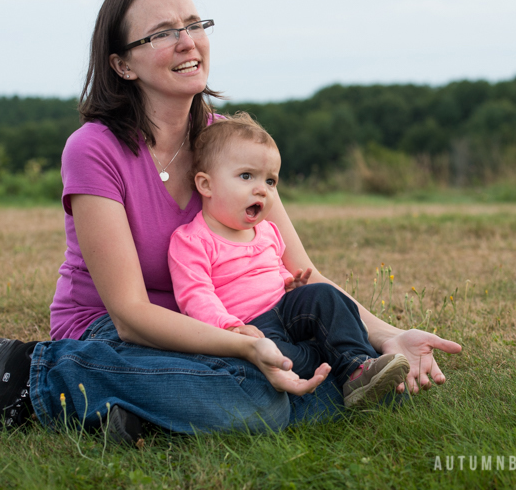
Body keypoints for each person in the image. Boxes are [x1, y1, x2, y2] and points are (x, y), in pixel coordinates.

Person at [0, 0, 462, 443]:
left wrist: (386, 337)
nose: (188, 41)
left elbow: (301, 273)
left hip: (231, 318)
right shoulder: (94, 149)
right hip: (117, 329)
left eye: (194, 25)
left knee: (338, 372)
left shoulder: (228, 143)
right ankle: (39, 370)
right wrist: (246, 347)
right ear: (122, 64)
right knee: (263, 400)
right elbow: (130, 315)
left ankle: (144, 408)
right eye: (163, 33)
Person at [169, 113, 410, 407]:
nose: (262, 189)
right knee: (281, 356)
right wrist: (231, 329)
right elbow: (196, 296)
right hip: (251, 327)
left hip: (286, 308)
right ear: (206, 185)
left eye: (270, 181)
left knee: (325, 296)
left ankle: (359, 366)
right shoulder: (192, 240)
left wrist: (289, 284)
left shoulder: (267, 231)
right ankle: (336, 367)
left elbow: (274, 269)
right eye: (246, 176)